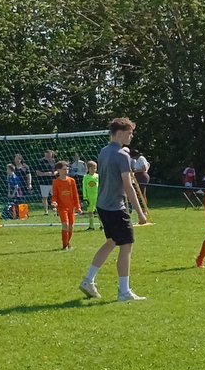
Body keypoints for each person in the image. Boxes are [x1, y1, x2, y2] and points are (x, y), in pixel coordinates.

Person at [79, 118, 149, 302]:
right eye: (129, 133)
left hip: (103, 205)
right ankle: (124, 292)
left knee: (111, 242)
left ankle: (88, 280)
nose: (131, 136)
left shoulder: (103, 152)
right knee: (126, 247)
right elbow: (128, 185)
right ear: (119, 133)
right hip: (115, 207)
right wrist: (140, 213)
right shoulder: (122, 155)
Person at [52, 161, 81, 250]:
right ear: (58, 170)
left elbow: (75, 195)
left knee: (71, 227)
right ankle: (65, 246)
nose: (66, 171)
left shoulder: (71, 181)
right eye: (64, 169)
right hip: (62, 207)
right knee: (65, 224)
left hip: (71, 207)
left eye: (67, 169)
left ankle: (67, 243)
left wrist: (78, 207)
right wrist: (54, 202)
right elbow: (54, 196)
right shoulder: (56, 182)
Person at [35, 149, 56, 215]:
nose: (49, 156)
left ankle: (55, 209)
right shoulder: (40, 161)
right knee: (44, 197)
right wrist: (46, 173)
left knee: (54, 196)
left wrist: (54, 173)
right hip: (43, 182)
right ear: (45, 154)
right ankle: (46, 211)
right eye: (48, 155)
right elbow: (37, 172)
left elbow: (57, 170)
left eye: (50, 155)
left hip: (53, 181)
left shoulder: (53, 161)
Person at [83, 161, 99, 230]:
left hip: (97, 197)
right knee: (90, 212)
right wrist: (85, 197)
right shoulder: (86, 177)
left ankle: (102, 225)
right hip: (89, 198)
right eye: (92, 168)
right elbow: (84, 187)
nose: (93, 170)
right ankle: (91, 226)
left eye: (95, 168)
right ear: (88, 169)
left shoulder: (98, 176)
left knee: (99, 212)